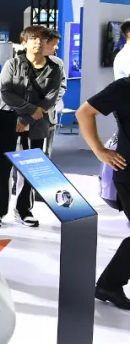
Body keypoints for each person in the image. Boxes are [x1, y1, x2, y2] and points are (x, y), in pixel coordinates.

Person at [0, 26, 62, 228]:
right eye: (33, 38)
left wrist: (27, 119)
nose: (38, 42)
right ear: (24, 42)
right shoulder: (13, 64)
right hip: (9, 122)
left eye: (42, 39)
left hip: (37, 125)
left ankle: (23, 210)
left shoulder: (55, 68)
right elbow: (6, 92)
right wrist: (28, 112)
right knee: (3, 168)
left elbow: (51, 97)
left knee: (30, 169)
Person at [77, 77, 130, 309]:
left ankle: (109, 284)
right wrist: (99, 150)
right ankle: (109, 284)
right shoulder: (124, 87)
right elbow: (84, 113)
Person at [43, 29, 67, 153]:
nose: (56, 48)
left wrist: (49, 103)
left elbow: (62, 86)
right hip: (27, 117)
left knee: (46, 152)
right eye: (53, 44)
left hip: (49, 114)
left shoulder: (57, 63)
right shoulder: (20, 63)